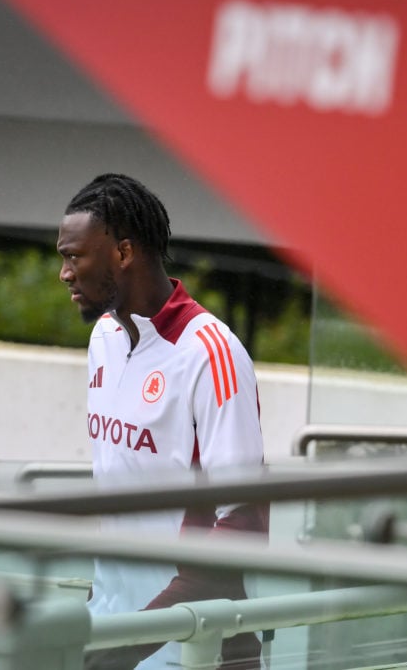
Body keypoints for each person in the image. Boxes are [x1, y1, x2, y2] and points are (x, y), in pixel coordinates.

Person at [57, 173, 267, 669]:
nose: (65, 273)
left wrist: (128, 648)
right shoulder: (103, 338)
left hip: (189, 646)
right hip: (111, 631)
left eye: (74, 256)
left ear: (124, 253)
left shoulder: (212, 353)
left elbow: (241, 526)